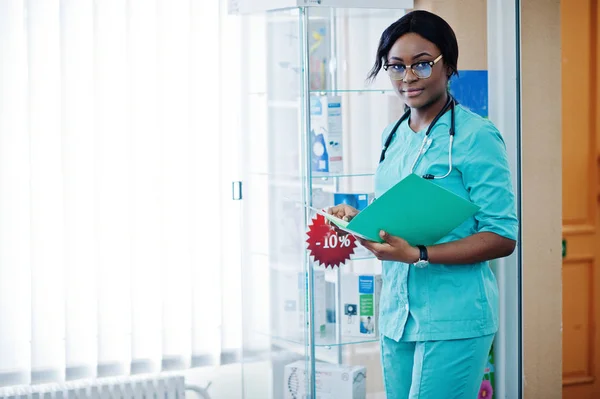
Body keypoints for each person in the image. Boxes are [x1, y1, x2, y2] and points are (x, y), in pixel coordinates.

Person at [327, 10, 518, 399]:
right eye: (395, 67)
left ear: (448, 65)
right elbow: (398, 212)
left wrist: (418, 253)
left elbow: (502, 236)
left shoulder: (477, 137)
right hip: (398, 316)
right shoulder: (393, 135)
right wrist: (359, 220)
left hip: (455, 318)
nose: (408, 78)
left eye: (422, 65)